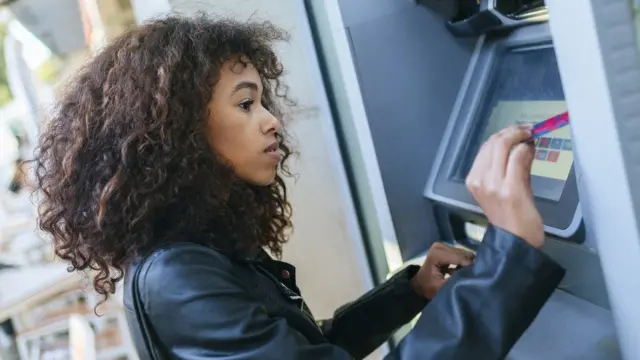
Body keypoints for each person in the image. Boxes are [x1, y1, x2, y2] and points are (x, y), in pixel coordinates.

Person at [34, 16, 565, 360]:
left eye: (264, 102)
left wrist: (409, 292)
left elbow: (303, 350)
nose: (272, 122)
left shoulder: (199, 249)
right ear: (178, 130)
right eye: (246, 104)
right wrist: (510, 252)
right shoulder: (179, 277)